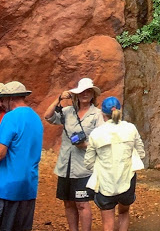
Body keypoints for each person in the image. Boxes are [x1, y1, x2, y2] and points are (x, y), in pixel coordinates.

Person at [44, 78, 103, 231]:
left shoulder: (97, 115)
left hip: (84, 166)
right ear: (76, 94)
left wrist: (85, 145)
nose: (85, 94)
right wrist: (59, 98)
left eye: (88, 91)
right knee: (68, 202)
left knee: (82, 203)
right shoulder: (68, 111)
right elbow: (48, 116)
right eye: (82, 91)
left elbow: (101, 141)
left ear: (92, 94)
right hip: (65, 165)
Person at [84, 97, 145, 231]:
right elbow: (141, 153)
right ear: (120, 110)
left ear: (102, 113)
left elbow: (88, 162)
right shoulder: (131, 128)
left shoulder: (96, 133)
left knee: (108, 222)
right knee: (123, 212)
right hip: (127, 180)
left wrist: (101, 168)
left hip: (105, 182)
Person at [0, 81, 43, 231]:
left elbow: (1, 152)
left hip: (7, 187)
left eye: (3, 99)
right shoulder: (36, 117)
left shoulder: (10, 117)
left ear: (10, 99)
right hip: (29, 186)